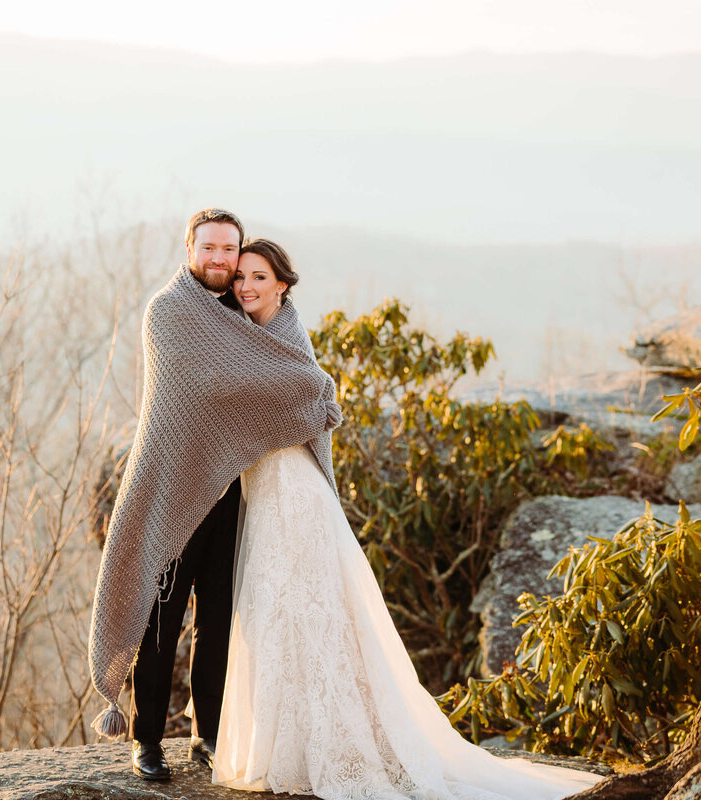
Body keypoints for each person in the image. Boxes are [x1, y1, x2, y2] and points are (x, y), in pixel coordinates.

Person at [212, 239, 604, 800]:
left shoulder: (285, 336)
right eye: (241, 279)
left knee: (311, 618)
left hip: (294, 495)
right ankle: (288, 747)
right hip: (268, 495)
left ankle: (335, 746)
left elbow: (312, 401)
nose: (247, 286)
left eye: (259, 277)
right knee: (280, 618)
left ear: (282, 285)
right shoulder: (247, 335)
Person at [86, 210, 344, 782]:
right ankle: (146, 739)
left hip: (235, 492)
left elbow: (286, 376)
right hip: (176, 487)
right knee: (161, 619)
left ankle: (207, 733)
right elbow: (214, 388)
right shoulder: (170, 312)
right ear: (189, 250)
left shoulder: (244, 311)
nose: (221, 260)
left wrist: (307, 388)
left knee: (222, 618)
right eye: (210, 248)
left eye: (229, 249)